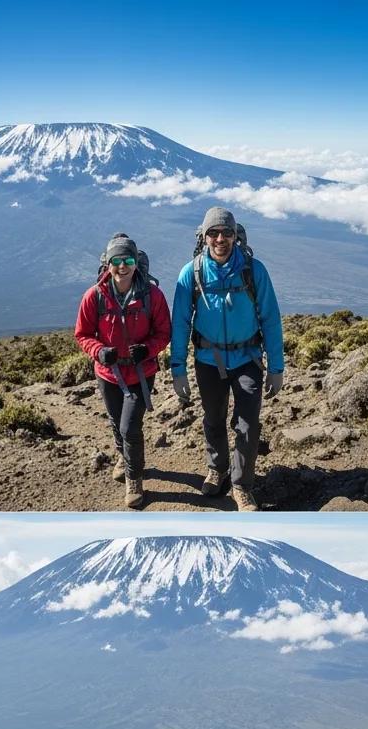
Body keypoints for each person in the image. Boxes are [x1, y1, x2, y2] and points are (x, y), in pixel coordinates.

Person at [169, 207, 284, 511]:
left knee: (248, 424)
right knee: (214, 419)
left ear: (236, 235)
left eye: (227, 232)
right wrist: (177, 369)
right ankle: (217, 468)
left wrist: (276, 368)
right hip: (208, 360)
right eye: (213, 233)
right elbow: (180, 323)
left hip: (247, 358)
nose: (220, 238)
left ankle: (241, 484)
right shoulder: (190, 273)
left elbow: (271, 319)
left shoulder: (253, 270)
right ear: (203, 236)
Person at [75, 234, 171, 509]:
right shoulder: (94, 296)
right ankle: (123, 456)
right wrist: (98, 351)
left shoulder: (152, 295)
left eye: (128, 259)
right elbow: (82, 334)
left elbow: (164, 331)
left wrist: (148, 349)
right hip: (108, 374)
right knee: (117, 423)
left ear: (136, 262)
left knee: (130, 427)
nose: (122, 266)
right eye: (116, 261)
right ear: (108, 264)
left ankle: (134, 479)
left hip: (141, 373)